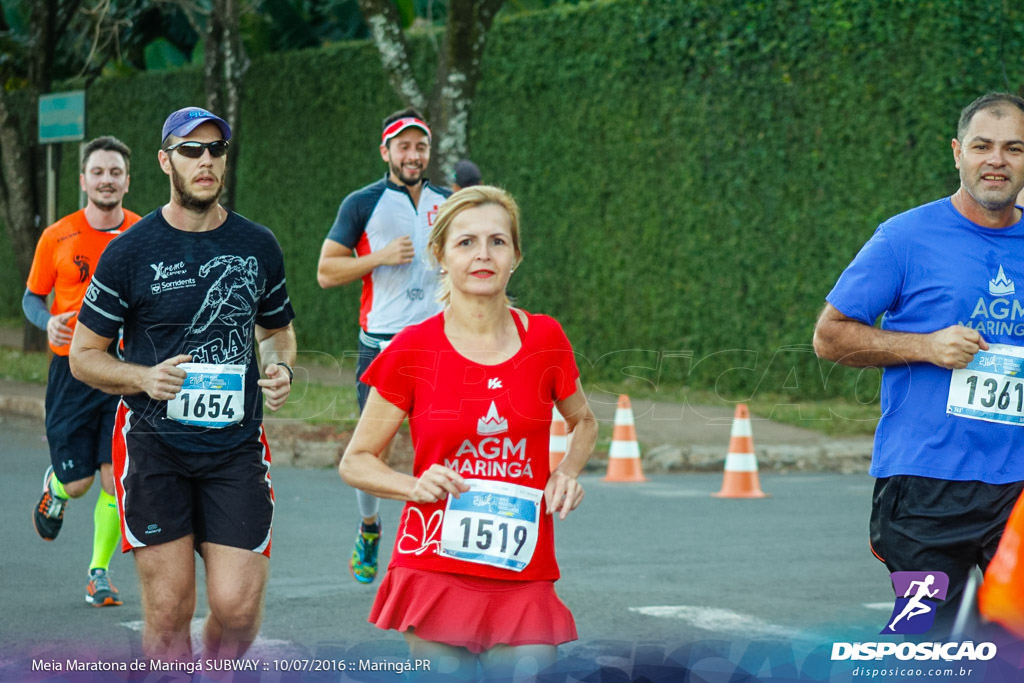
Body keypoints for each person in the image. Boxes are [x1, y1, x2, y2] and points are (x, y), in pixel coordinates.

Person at [338, 185, 597, 679]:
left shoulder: (545, 338)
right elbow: (357, 460)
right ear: (440, 256)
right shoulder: (412, 350)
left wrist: (567, 470)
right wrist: (412, 485)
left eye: (498, 242)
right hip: (434, 563)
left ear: (516, 256)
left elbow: (584, 420)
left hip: (523, 571)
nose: (483, 254)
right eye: (466, 242)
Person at [69, 106, 296, 663]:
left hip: (235, 447)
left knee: (236, 608)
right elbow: (83, 357)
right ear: (165, 160)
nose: (206, 160)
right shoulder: (129, 252)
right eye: (191, 150)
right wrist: (143, 376)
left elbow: (278, 331)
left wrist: (280, 366)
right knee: (170, 613)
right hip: (154, 448)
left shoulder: (257, 244)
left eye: (216, 149)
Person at [813, 92, 1024, 634]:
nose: (996, 160)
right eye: (982, 146)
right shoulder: (905, 237)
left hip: (1018, 486)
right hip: (927, 480)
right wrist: (925, 346)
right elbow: (830, 337)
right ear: (958, 153)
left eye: (1013, 148)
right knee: (925, 636)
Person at [317, 108, 451, 585]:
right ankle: (370, 527)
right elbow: (326, 272)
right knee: (374, 450)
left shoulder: (449, 201)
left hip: (440, 344)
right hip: (384, 346)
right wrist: (378, 257)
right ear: (386, 152)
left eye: (420, 146)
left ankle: (438, 537)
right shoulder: (362, 203)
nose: (412, 155)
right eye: (403, 146)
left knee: (442, 444)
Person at [24, 135, 141, 607]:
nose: (107, 179)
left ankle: (99, 573)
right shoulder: (57, 235)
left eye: (115, 172)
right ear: (83, 180)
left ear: (127, 182)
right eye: (99, 172)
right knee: (79, 484)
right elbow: (32, 297)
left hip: (120, 369)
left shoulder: (144, 233)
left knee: (116, 477)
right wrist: (45, 320)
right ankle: (54, 487)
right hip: (70, 370)